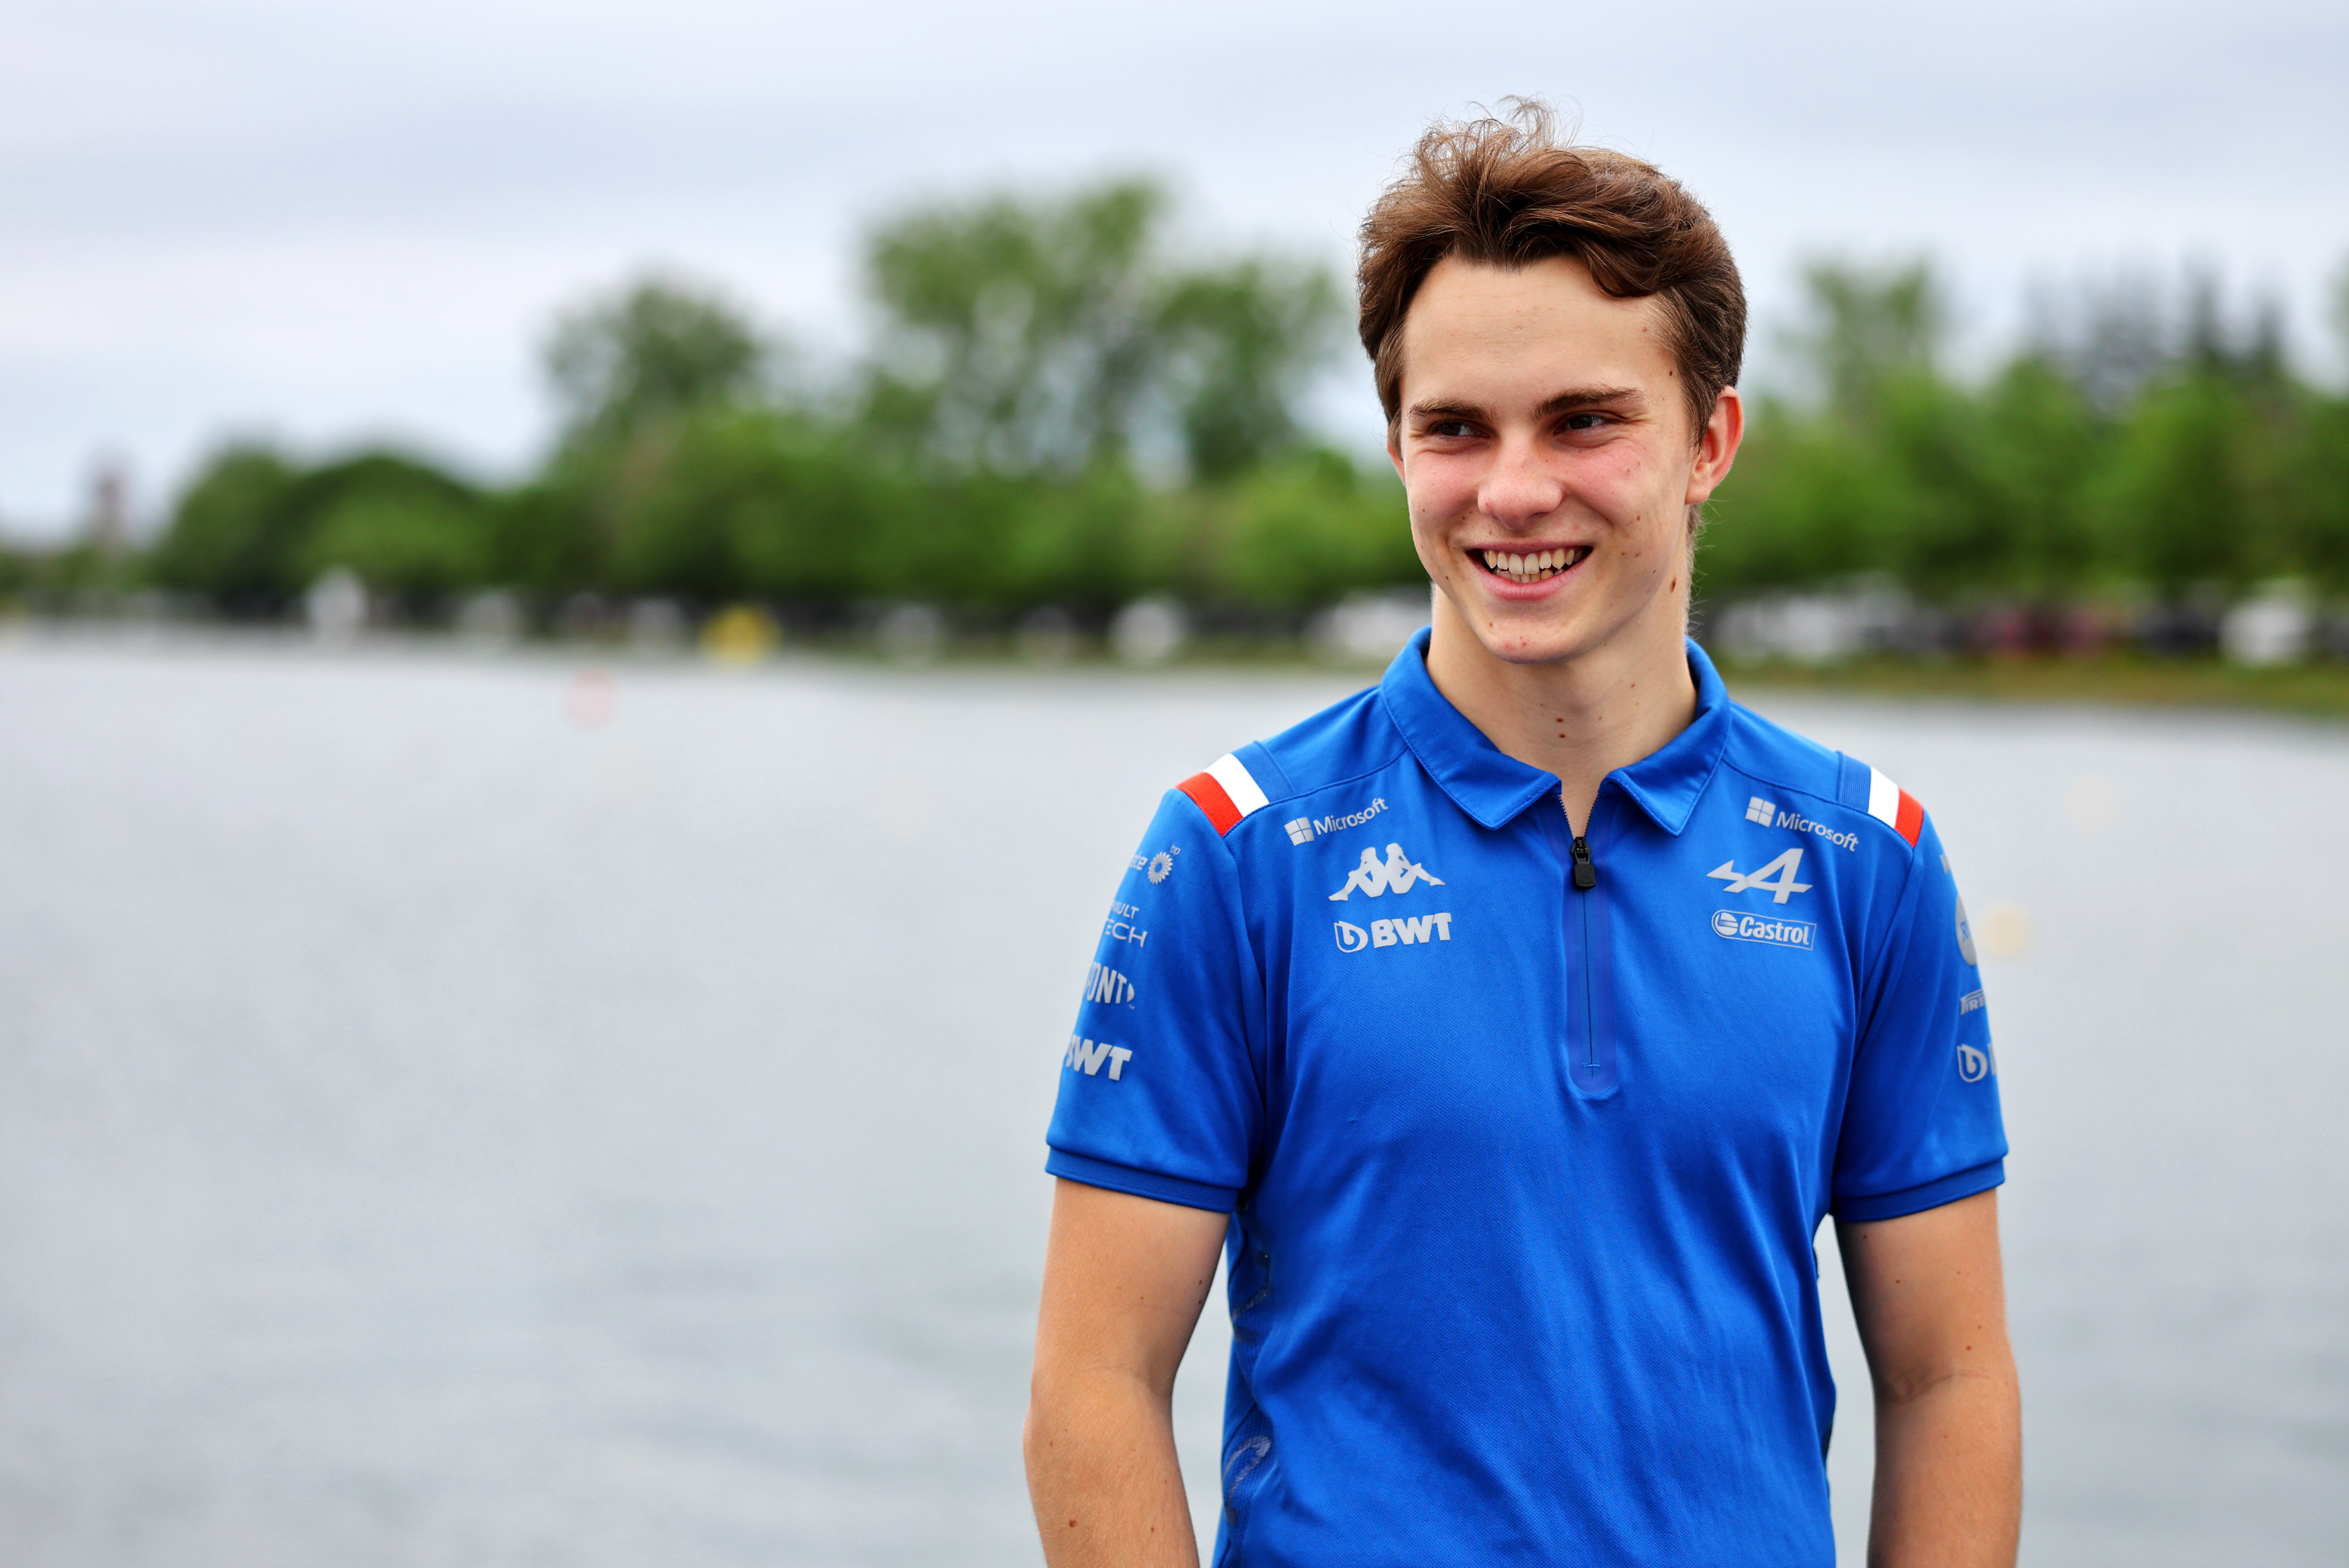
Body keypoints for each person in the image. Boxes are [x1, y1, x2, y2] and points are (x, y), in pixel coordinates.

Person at [1024, 102, 2019, 1568]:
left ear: (1708, 441)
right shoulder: (1234, 854)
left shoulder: (1866, 859)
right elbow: (1092, 1383)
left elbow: (1947, 1379)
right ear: (1396, 447)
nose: (1511, 491)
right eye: (1455, 430)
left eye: (1584, 420)